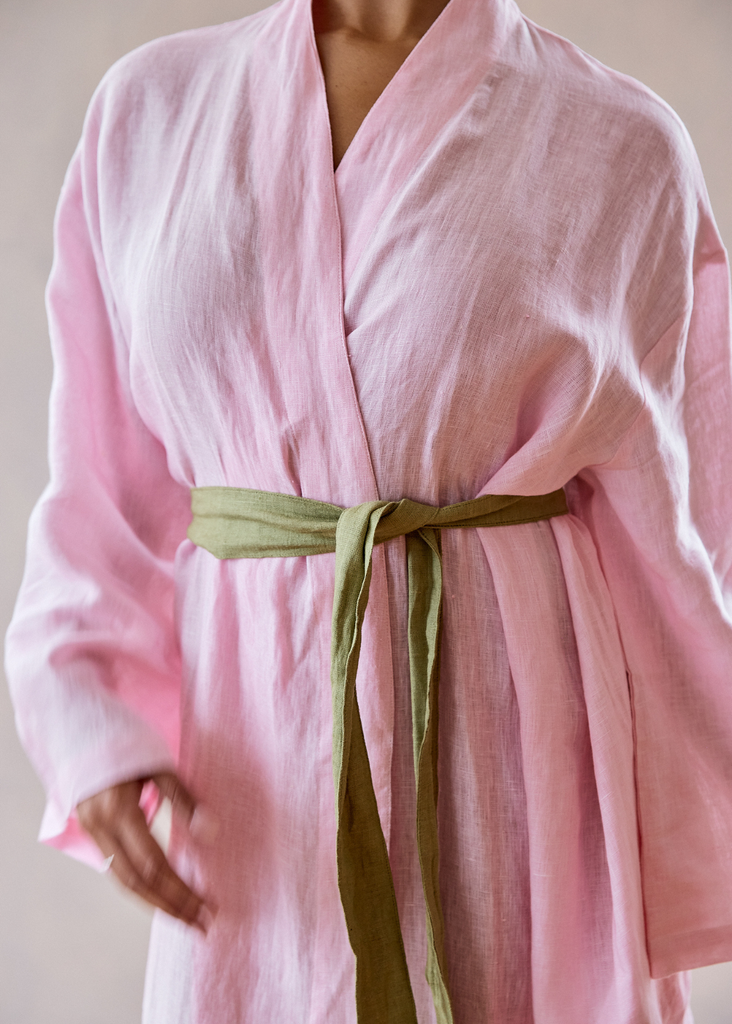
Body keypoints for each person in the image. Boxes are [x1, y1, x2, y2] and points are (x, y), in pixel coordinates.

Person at [6, 0, 732, 1019]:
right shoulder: (150, 113)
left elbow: (688, 523)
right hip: (256, 795)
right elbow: (101, 486)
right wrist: (90, 717)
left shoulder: (619, 139)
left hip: (518, 789)